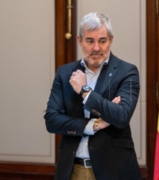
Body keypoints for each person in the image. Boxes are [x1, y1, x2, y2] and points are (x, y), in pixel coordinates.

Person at [44, 12, 142, 180]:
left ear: (111, 40)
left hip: (114, 169)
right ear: (80, 41)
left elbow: (121, 116)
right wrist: (94, 125)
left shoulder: (127, 72)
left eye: (102, 41)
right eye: (90, 41)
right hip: (72, 169)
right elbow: (52, 120)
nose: (96, 47)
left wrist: (85, 91)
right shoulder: (65, 72)